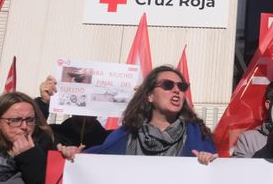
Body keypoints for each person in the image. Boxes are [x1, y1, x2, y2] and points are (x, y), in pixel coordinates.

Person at [87, 66, 217, 163]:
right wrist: (73, 155)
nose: (177, 90)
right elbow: (96, 160)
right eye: (168, 85)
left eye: (182, 86)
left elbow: (215, 179)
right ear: (150, 96)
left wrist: (209, 161)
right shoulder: (126, 134)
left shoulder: (199, 137)